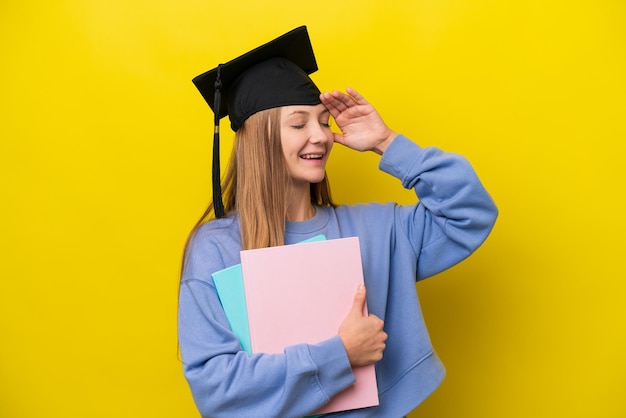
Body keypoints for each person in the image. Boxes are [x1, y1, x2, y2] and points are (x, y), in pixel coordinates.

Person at [178, 26, 498, 417]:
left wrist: (387, 142)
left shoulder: (377, 231)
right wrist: (340, 354)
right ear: (259, 140)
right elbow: (216, 388)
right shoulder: (216, 249)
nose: (321, 136)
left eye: (324, 122)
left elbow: (470, 213)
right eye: (299, 124)